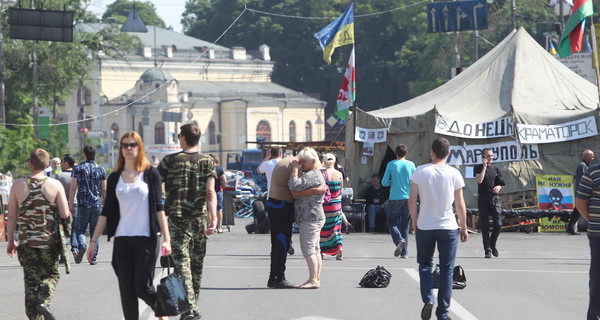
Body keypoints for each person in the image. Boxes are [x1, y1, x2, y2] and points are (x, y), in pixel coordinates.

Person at [87, 132, 171, 320]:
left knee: (142, 287)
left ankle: (163, 311)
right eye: (125, 145)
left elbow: (159, 208)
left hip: (146, 239)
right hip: (122, 240)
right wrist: (93, 241)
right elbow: (106, 212)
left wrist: (167, 239)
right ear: (121, 149)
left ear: (139, 147)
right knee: (127, 291)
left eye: (133, 144)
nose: (129, 148)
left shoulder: (150, 173)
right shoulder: (115, 177)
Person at [158, 123, 217, 320]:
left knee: (182, 264)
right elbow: (210, 192)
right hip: (199, 220)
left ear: (182, 137)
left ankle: (189, 309)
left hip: (177, 220)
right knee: (196, 266)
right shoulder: (208, 161)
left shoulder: (169, 161)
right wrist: (213, 217)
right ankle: (192, 309)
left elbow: (155, 185)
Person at [6, 148, 70, 320]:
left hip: (27, 244)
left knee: (30, 282)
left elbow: (11, 216)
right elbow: (65, 214)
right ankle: (43, 301)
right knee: (51, 275)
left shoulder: (18, 185)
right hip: (49, 242)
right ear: (48, 165)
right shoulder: (55, 185)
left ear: (29, 163)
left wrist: (11, 239)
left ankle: (34, 315)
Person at [408, 138, 468, 320]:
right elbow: (460, 203)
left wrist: (414, 221)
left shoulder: (420, 171)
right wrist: (464, 226)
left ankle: (428, 298)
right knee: (447, 270)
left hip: (425, 224)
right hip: (448, 226)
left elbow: (412, 200)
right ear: (448, 153)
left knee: (425, 265)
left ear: (431, 152)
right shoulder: (454, 173)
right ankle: (443, 313)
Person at [266, 154, 326, 289]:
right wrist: (318, 189)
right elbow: (295, 189)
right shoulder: (293, 165)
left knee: (278, 242)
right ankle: (278, 277)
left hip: (276, 204)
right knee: (282, 243)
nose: (303, 166)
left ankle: (275, 277)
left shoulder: (285, 162)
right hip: (282, 205)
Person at [288, 147, 326, 289]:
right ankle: (316, 278)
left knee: (308, 249)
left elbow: (293, 185)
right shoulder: (315, 174)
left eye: (304, 161)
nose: (301, 163)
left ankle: (313, 279)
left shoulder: (311, 175)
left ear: (313, 161)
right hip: (315, 215)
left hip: (309, 216)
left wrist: (294, 169)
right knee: (315, 249)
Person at [69, 145, 107, 265]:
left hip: (83, 204)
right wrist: (105, 203)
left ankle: (82, 245)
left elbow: (73, 187)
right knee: (95, 232)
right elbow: (104, 189)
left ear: (84, 154)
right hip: (97, 204)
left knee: (80, 230)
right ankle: (93, 258)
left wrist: (70, 203)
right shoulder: (101, 169)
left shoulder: (78, 169)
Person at [575, 162, 600, 320]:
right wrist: (593, 221)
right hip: (598, 234)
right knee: (598, 278)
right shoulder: (593, 171)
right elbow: (580, 202)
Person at [382, 144, 416, 258]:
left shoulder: (391, 164)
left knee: (391, 223)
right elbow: (414, 181)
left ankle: (399, 240)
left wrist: (393, 182)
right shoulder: (411, 164)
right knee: (405, 225)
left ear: (395, 153)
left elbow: (384, 182)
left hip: (394, 197)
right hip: (408, 197)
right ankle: (405, 253)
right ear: (406, 153)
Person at [474, 148, 505, 258]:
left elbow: (501, 183)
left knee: (498, 224)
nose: (490, 158)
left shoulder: (496, 169)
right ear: (483, 157)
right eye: (487, 156)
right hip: (483, 198)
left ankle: (492, 244)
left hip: (494, 198)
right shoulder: (478, 168)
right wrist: (484, 167)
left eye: (491, 156)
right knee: (485, 225)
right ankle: (487, 249)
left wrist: (498, 187)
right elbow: (479, 180)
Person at [319, 153, 346, 260]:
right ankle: (339, 247)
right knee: (336, 228)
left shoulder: (322, 173)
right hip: (337, 205)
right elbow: (340, 189)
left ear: (324, 162)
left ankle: (321, 251)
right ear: (334, 162)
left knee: (323, 228)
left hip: (325, 205)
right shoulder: (339, 173)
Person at [56, 154, 78, 256]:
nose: (61, 163)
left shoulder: (59, 175)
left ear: (66, 163)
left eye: (62, 161)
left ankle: (63, 255)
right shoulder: (77, 174)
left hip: (63, 205)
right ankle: (75, 248)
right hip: (76, 203)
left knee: (62, 230)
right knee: (74, 227)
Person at [569, 149, 594, 235]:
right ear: (587, 156)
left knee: (578, 210)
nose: (593, 158)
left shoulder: (584, 165)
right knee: (582, 209)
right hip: (582, 192)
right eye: (592, 156)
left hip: (582, 191)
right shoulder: (582, 166)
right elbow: (583, 180)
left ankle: (570, 227)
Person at [209, 154, 227, 233]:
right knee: (219, 208)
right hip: (218, 190)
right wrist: (223, 186)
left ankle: (211, 227)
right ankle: (219, 227)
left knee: (209, 209)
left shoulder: (207, 169)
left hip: (209, 191)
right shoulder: (220, 169)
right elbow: (224, 180)